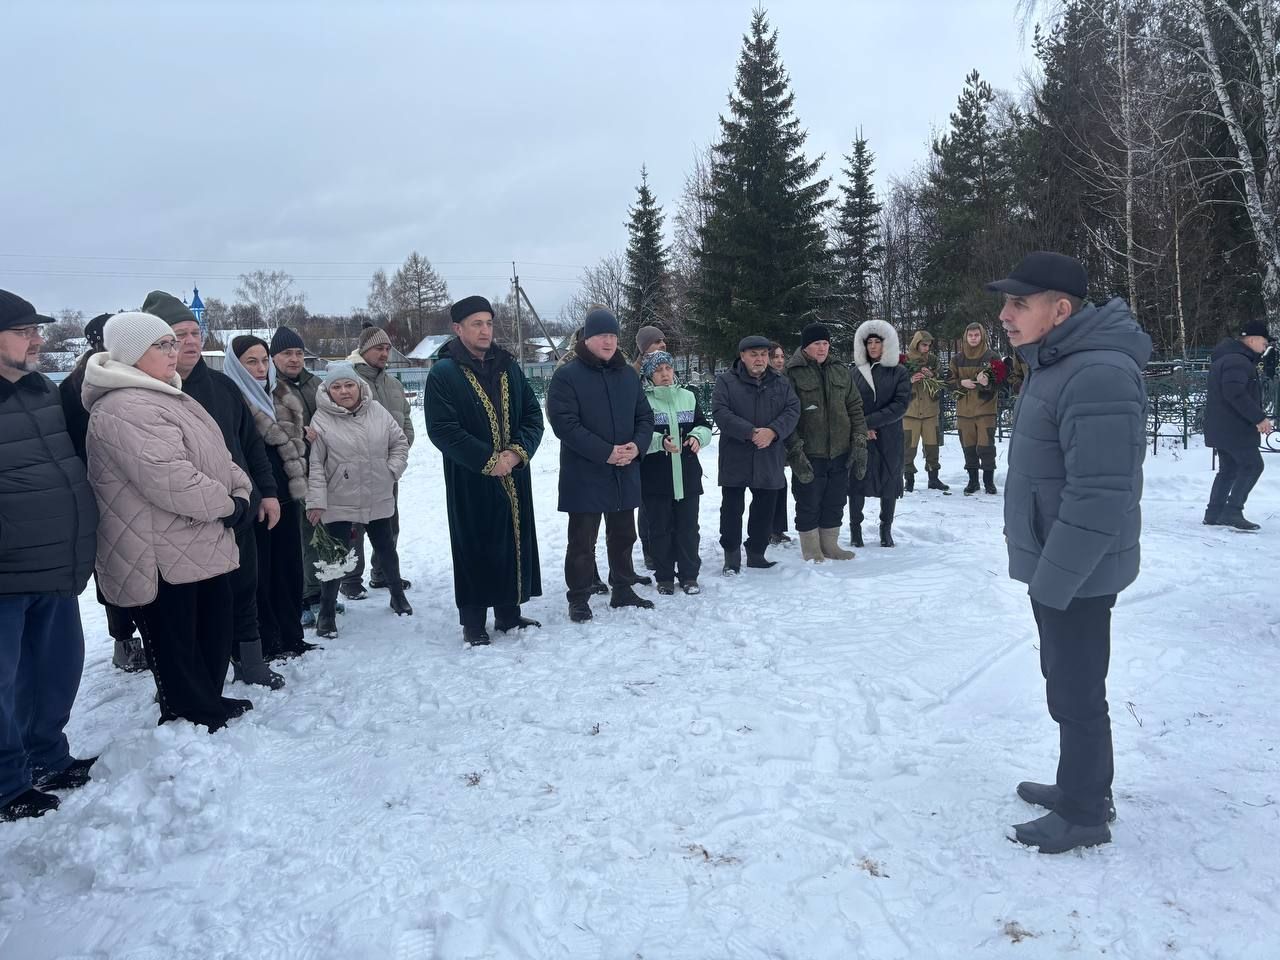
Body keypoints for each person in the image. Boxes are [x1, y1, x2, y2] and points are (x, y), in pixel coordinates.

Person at [991, 251, 1149, 854]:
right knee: (1066, 681)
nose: (1005, 314)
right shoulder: (1058, 362)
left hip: (1076, 569)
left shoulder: (1096, 373)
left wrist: (1053, 578)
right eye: (1005, 302)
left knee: (1077, 689)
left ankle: (1085, 810)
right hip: (1062, 563)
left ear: (1060, 310)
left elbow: (1100, 495)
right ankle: (1080, 785)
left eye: (1018, 303)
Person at [83, 311, 255, 734]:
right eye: (162, 345)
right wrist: (229, 506)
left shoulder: (168, 395)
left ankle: (207, 700)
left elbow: (220, 457)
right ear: (131, 354)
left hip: (197, 539)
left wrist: (242, 489)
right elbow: (169, 478)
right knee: (178, 637)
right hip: (159, 549)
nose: (173, 351)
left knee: (211, 628)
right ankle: (187, 711)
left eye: (172, 344)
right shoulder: (123, 405)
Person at [141, 290, 284, 690]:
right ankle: (194, 680)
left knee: (246, 587)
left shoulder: (221, 386)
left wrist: (267, 492)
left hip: (238, 510)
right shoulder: (150, 393)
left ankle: (251, 662)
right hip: (185, 520)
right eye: (175, 336)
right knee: (196, 606)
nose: (188, 342)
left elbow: (251, 443)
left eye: (193, 332)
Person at [0, 290, 98, 822]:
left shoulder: (42, 390)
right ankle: (6, 784)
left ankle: (47, 757)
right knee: (3, 683)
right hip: (6, 569)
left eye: (36, 329)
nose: (38, 339)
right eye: (23, 331)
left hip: (55, 561)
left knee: (56, 670)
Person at [425, 296, 544, 647]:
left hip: (514, 473)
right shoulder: (443, 373)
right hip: (471, 478)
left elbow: (533, 416)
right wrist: (488, 460)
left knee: (512, 539)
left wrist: (516, 454)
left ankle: (509, 612)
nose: (484, 330)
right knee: (474, 545)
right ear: (458, 329)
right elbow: (442, 428)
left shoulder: (508, 367)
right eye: (476, 323)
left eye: (489, 323)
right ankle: (473, 621)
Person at [546, 306, 655, 622]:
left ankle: (623, 587)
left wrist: (637, 445)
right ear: (587, 338)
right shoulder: (567, 376)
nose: (609, 342)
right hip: (586, 473)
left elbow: (645, 416)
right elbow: (565, 424)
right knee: (582, 541)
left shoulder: (627, 376)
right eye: (602, 336)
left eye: (613, 336)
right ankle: (578, 597)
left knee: (623, 535)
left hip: (624, 470)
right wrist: (605, 451)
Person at [59, 312, 147, 672]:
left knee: (124, 563)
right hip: (102, 487)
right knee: (115, 564)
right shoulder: (80, 385)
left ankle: (130, 636)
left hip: (125, 483)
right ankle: (124, 639)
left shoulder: (119, 377)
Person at [224, 335, 314, 660]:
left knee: (288, 568)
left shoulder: (278, 395)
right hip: (257, 499)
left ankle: (292, 635)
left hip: (287, 494)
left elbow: (288, 444)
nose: (261, 368)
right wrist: (258, 493)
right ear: (236, 364)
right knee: (261, 573)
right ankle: (269, 640)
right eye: (252, 361)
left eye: (263, 360)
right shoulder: (232, 397)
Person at [306, 363, 411, 638]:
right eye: (337, 387)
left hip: (377, 492)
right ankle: (327, 612)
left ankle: (397, 594)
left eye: (349, 385)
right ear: (328, 391)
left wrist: (392, 470)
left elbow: (399, 442)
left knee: (386, 547)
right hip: (340, 496)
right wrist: (315, 501)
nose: (344, 391)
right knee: (335, 555)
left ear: (358, 386)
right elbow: (316, 464)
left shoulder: (377, 411)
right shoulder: (321, 419)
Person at [712, 335, 800, 574]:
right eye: (754, 355)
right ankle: (731, 555)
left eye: (763, 354)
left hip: (769, 455)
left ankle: (756, 552)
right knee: (731, 509)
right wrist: (750, 432)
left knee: (764, 508)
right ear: (742, 356)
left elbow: (793, 409)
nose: (760, 359)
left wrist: (773, 431)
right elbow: (720, 412)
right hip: (736, 456)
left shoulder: (780, 382)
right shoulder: (726, 382)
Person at [783, 322, 868, 562]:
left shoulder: (840, 370)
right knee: (808, 499)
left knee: (836, 499)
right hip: (809, 451)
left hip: (840, 450)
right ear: (805, 347)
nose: (822, 348)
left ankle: (830, 545)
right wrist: (795, 450)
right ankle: (811, 548)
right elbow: (787, 415)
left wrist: (859, 439)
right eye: (817, 344)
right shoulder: (792, 373)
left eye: (825, 343)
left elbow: (855, 406)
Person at [340, 325, 414, 600]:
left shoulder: (393, 384)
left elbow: (405, 422)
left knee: (389, 523)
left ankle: (383, 572)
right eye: (378, 348)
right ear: (363, 350)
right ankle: (350, 579)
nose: (384, 353)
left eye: (386, 349)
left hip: (387, 470)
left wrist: (397, 457)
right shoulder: (349, 382)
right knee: (354, 527)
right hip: (354, 470)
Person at [639, 350, 713, 594]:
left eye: (668, 369)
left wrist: (696, 438)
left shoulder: (688, 397)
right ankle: (665, 577)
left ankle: (689, 576)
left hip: (688, 476)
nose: (664, 374)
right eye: (658, 370)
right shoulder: (642, 400)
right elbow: (637, 434)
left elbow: (704, 425)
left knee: (689, 528)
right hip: (656, 478)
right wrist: (659, 441)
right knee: (660, 529)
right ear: (650, 375)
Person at [269, 326, 326, 627]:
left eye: (298, 353)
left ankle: (319, 592)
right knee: (296, 537)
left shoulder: (315, 383)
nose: (294, 359)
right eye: (286, 353)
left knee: (317, 531)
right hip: (287, 471)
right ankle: (302, 597)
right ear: (273, 357)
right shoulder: (269, 385)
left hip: (317, 468)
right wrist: (296, 433)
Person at [1203, 319, 1275, 530]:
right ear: (1251, 339)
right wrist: (1259, 418)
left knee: (1229, 469)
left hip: (1223, 426)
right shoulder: (1237, 361)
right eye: (1264, 342)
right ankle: (1233, 511)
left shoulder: (1230, 358)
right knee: (1253, 465)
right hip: (1234, 427)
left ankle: (1214, 512)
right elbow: (1234, 393)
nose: (1265, 347)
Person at [848, 322, 911, 548]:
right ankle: (855, 529)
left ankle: (886, 529)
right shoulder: (854, 373)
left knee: (889, 481)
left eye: (877, 342)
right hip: (861, 436)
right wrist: (861, 427)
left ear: (887, 344)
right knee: (857, 481)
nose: (873, 346)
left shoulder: (899, 372)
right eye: (869, 342)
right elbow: (848, 403)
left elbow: (901, 404)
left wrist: (870, 423)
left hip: (889, 435)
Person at [947, 322, 1001, 495]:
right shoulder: (957, 359)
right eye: (970, 335)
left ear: (982, 336)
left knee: (986, 447)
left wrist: (987, 382)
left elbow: (1000, 381)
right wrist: (960, 383)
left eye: (976, 335)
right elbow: (947, 382)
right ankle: (973, 481)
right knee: (968, 447)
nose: (973, 338)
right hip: (964, 412)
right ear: (966, 337)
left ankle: (988, 482)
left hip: (986, 410)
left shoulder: (992, 356)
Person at [632, 325, 668, 570]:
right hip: (644, 447)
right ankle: (648, 547)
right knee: (646, 503)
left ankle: (666, 544)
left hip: (668, 449)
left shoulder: (665, 369)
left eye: (663, 340)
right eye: (656, 342)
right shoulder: (633, 374)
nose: (662, 344)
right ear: (645, 348)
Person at [901, 330, 950, 494]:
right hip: (910, 412)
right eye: (923, 345)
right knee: (908, 447)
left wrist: (933, 375)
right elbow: (893, 383)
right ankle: (909, 480)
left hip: (930, 411)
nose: (927, 348)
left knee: (932, 446)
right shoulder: (904, 360)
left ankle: (933, 478)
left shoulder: (934, 360)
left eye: (929, 345)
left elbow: (943, 381)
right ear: (916, 344)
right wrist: (909, 380)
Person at [767, 342, 793, 544]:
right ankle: (769, 528)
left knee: (781, 485)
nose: (779, 360)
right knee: (770, 487)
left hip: (780, 438)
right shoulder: (764, 381)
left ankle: (777, 528)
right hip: (764, 439)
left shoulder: (784, 380)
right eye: (775, 356)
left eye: (781, 356)